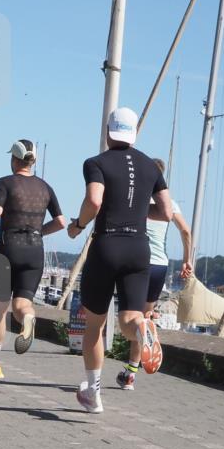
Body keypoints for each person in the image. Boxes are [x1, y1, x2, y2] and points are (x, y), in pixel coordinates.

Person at [68, 107, 174, 413]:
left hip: (107, 245)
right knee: (130, 318)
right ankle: (143, 328)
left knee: (95, 326)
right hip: (139, 249)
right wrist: (140, 212)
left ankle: (93, 394)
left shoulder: (96, 163)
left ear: (107, 131)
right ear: (135, 132)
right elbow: (166, 212)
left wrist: (78, 225)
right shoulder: (151, 167)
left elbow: (94, 200)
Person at [0, 140, 65, 379]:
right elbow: (60, 222)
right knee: (21, 305)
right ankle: (28, 318)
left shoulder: (5, 182)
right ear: (33, 161)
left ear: (14, 160)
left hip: (8, 249)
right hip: (35, 250)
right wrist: (40, 231)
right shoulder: (45, 187)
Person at [116, 158, 193, 390]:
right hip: (160, 265)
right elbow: (186, 231)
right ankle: (130, 375)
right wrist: (187, 260)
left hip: (136, 262)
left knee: (130, 320)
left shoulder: (135, 199)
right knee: (144, 320)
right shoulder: (171, 204)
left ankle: (129, 371)